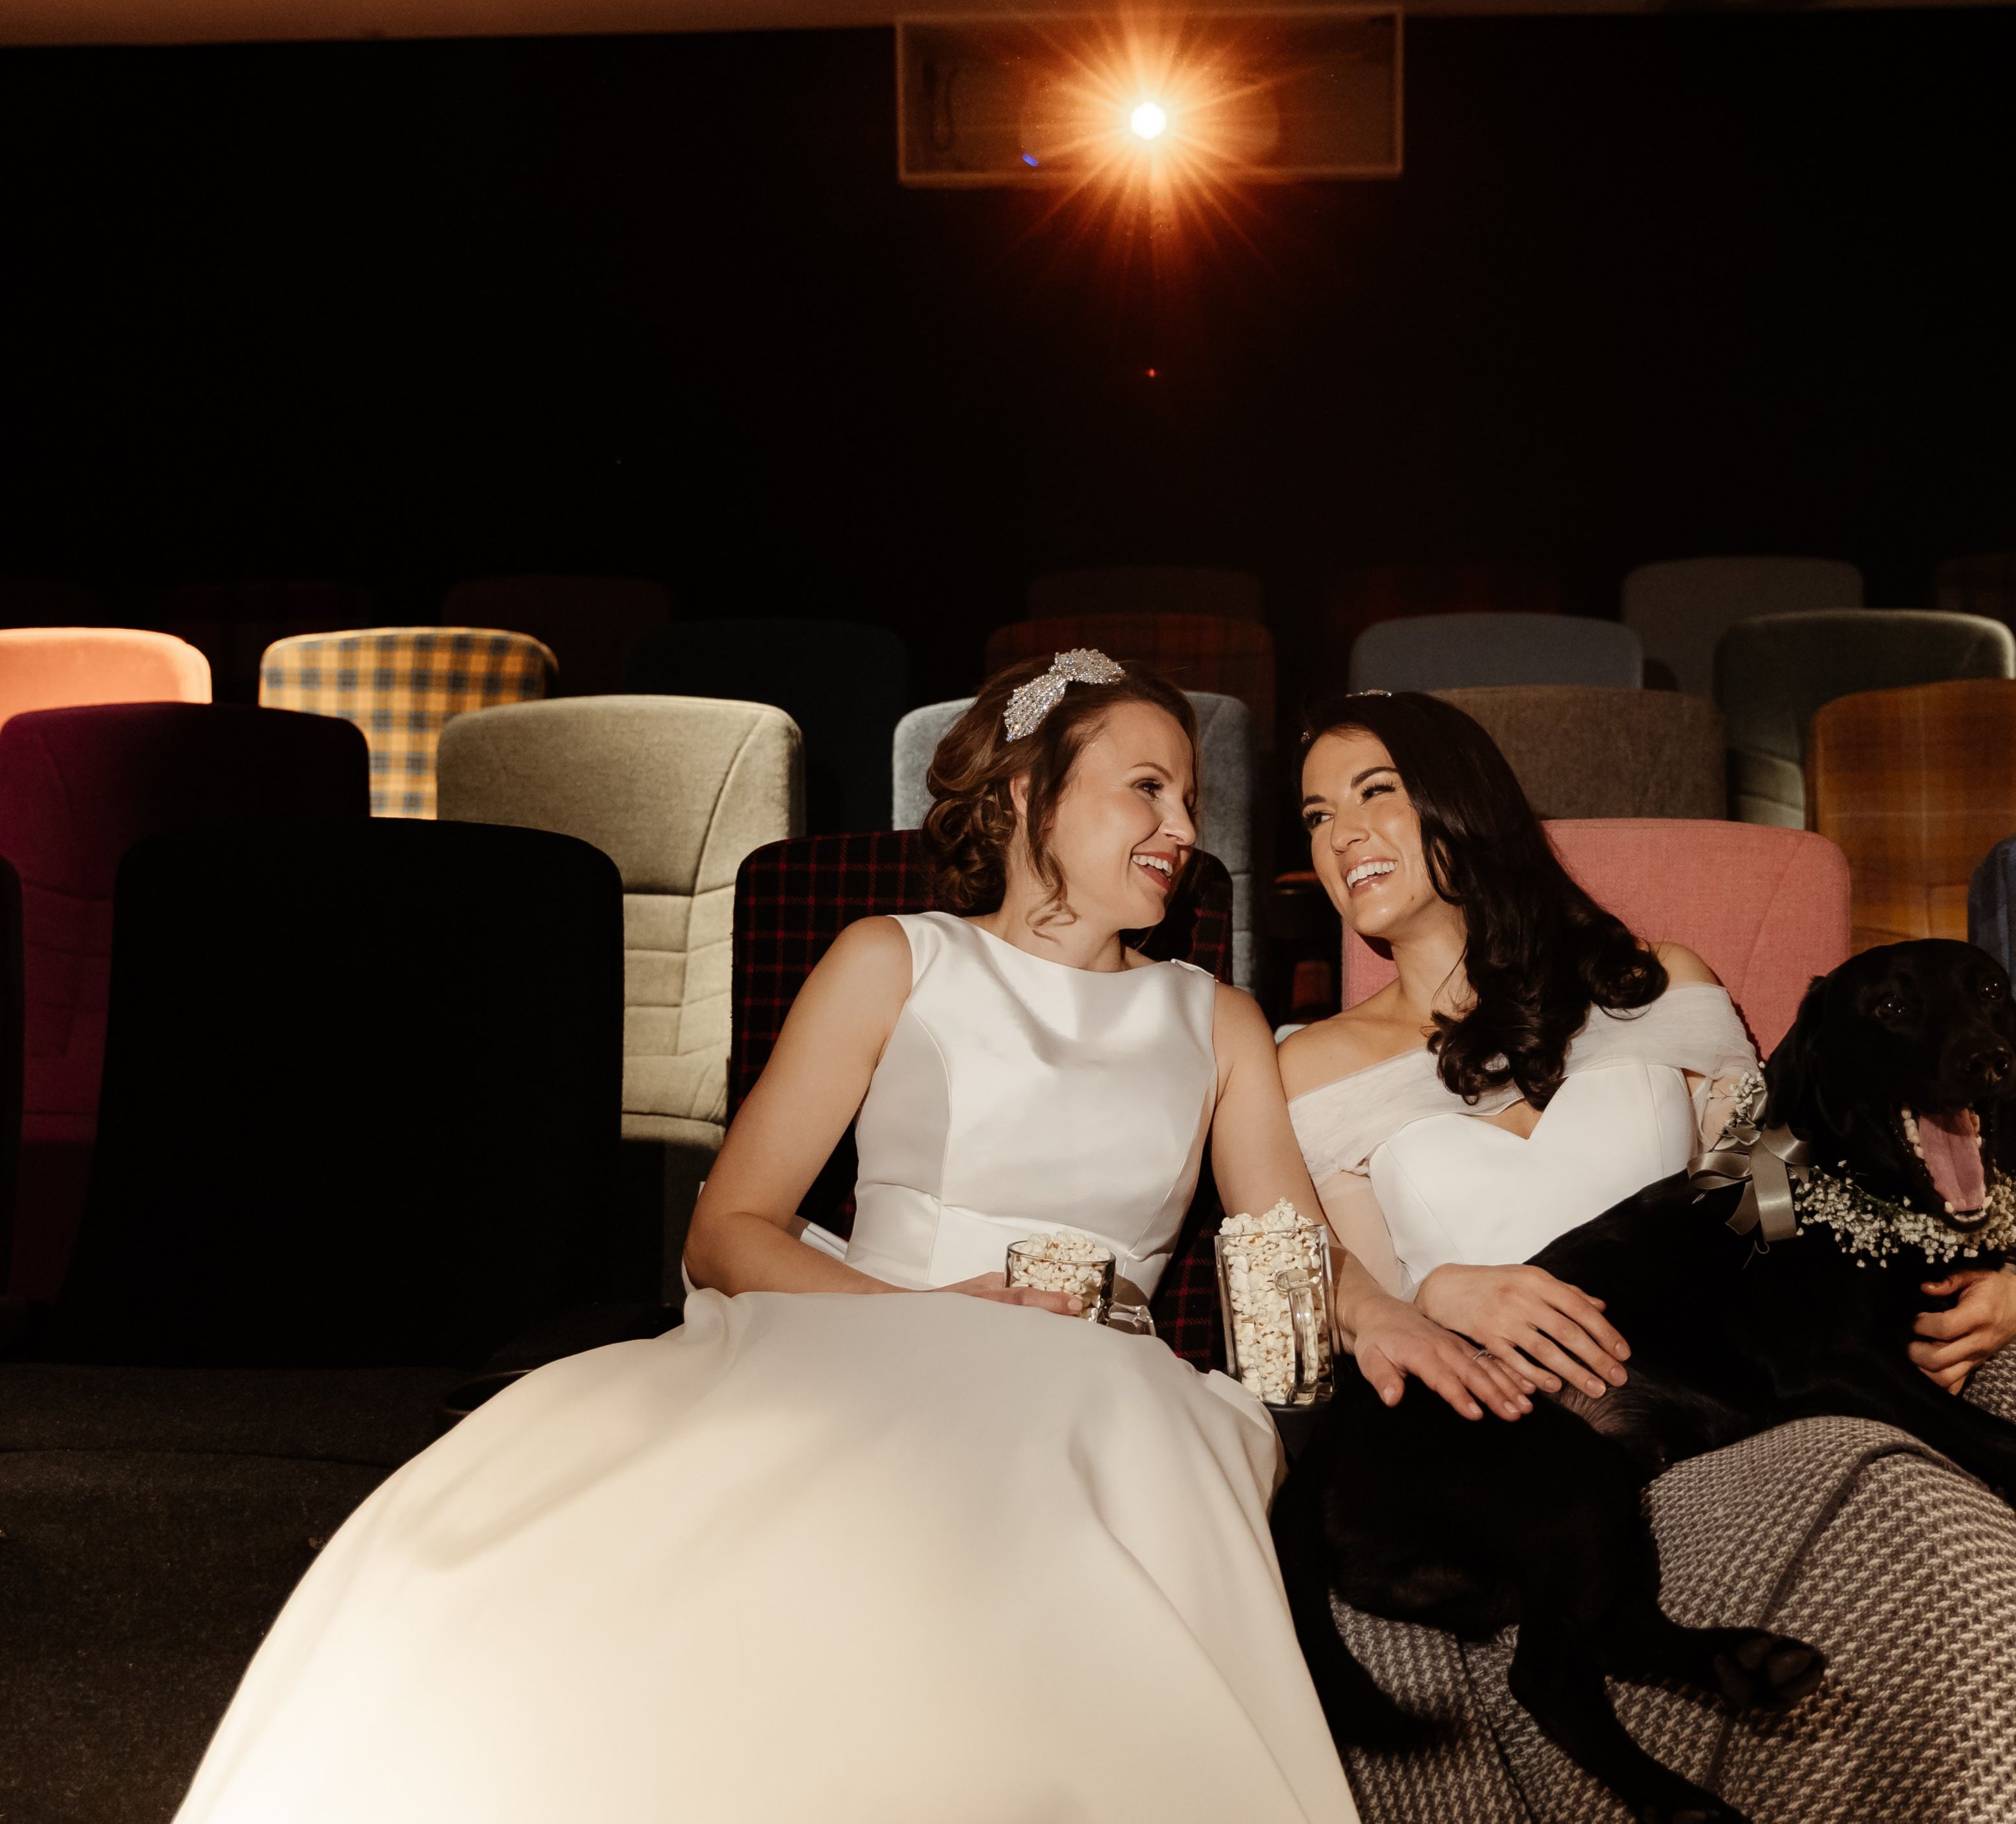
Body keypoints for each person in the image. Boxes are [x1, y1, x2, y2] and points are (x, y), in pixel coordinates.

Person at [172, 654, 1524, 1824]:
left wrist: (1384, 1316)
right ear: (1023, 797)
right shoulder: (893, 958)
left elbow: (1282, 1247)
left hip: (1102, 1381)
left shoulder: (1210, 1017)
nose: (1184, 825)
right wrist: (929, 1314)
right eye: (1146, 787)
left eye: (1189, 793)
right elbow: (726, 1231)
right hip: (860, 1327)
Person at [1277, 690, 2016, 1824]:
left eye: (1374, 792)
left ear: (1461, 804)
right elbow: (1316, 1310)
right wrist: (1431, 1290)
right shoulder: (1310, 1065)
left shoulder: (1658, 988)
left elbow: (1779, 1198)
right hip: (1525, 1425)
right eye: (1318, 815)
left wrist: (2001, 1274)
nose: (1343, 837)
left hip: (1718, 1371)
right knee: (1902, 1489)